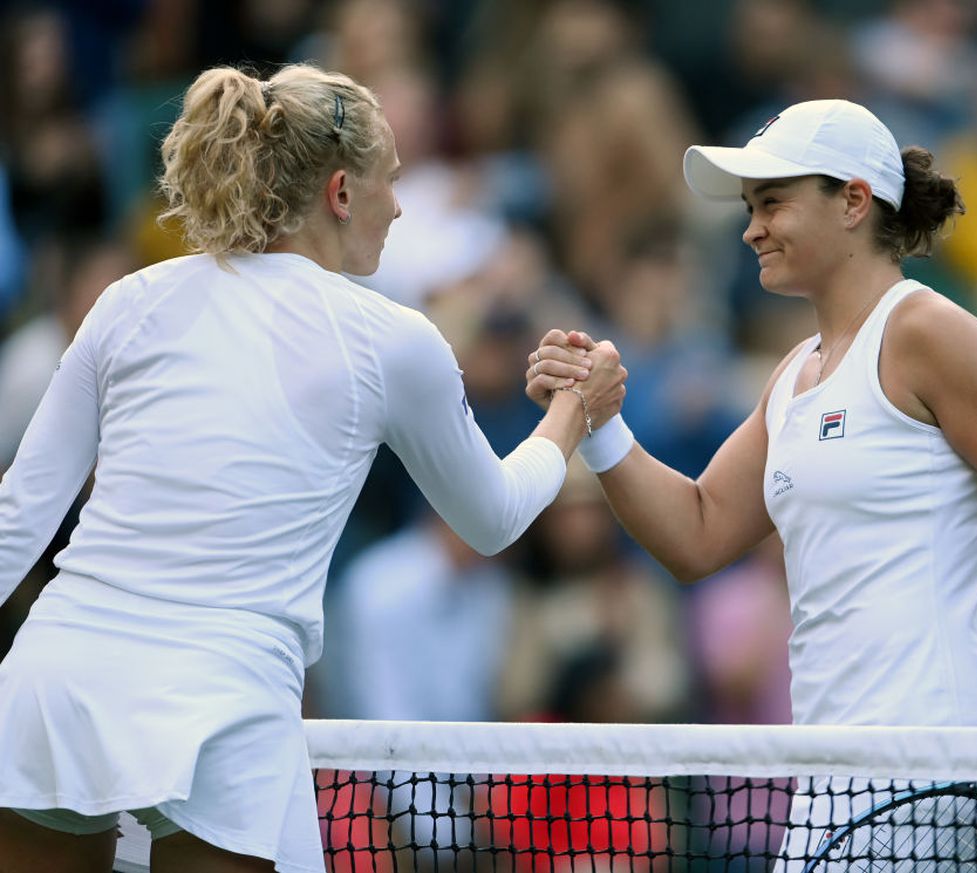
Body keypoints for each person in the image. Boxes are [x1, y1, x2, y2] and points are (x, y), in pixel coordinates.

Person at [0, 63, 625, 873]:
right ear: (340, 192)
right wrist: (573, 411)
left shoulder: (127, 300)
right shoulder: (392, 339)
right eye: (390, 182)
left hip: (63, 681)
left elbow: (18, 517)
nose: (399, 205)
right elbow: (494, 517)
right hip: (223, 704)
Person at [527, 99, 977, 862]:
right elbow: (697, 532)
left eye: (772, 203)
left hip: (935, 768)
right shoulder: (795, 375)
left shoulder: (925, 331)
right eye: (749, 208)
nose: (750, 228)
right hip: (832, 779)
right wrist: (600, 424)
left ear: (855, 201)